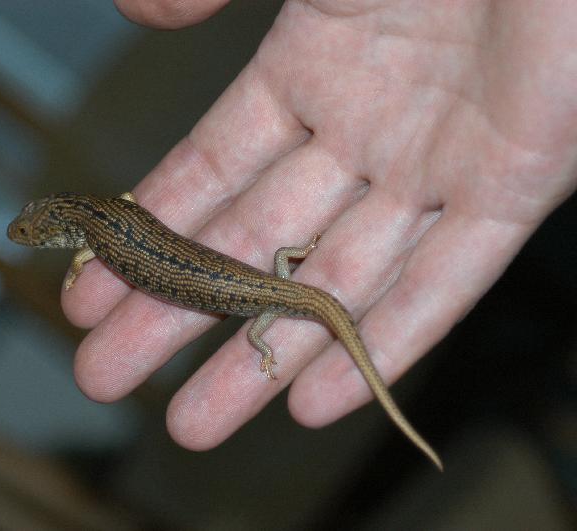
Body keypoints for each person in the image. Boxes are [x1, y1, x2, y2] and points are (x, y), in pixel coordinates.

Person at [63, 0, 577, 452]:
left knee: (263, 328)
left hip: (267, 290)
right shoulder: (277, 287)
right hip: (272, 281)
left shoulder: (268, 305)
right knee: (276, 291)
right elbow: (282, 261)